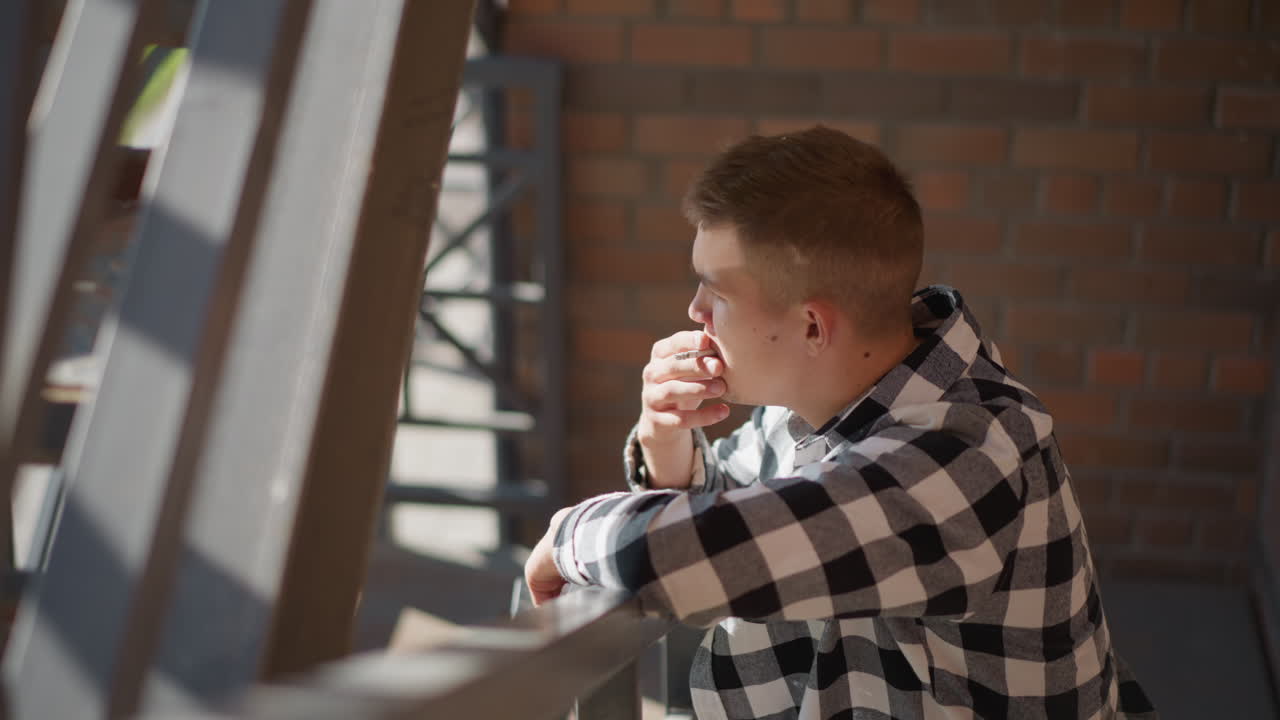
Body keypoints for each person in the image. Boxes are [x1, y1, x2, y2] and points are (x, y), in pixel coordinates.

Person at [524, 126, 1156, 719]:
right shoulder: (825, 396)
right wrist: (664, 433)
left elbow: (698, 556)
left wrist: (567, 534)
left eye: (715, 290)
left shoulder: (967, 458)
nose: (694, 311)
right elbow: (729, 511)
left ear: (811, 327)